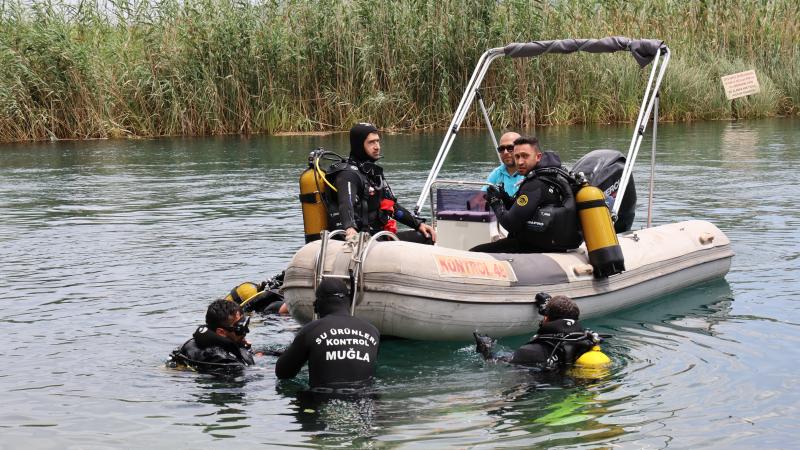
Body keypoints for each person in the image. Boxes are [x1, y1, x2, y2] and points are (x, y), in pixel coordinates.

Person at [326, 122, 436, 244]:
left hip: (378, 237)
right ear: (359, 145)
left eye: (377, 141)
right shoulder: (348, 174)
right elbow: (346, 204)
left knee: (427, 236)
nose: (377, 146)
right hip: (362, 241)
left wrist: (418, 224)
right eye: (371, 142)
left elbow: (393, 207)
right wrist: (350, 229)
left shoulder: (372, 173)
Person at [470, 136, 582, 253]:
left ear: (538, 157)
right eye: (517, 156)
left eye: (525, 156)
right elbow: (526, 209)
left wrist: (495, 201)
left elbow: (510, 224)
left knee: (473, 253)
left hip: (533, 247)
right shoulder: (550, 177)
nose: (520, 162)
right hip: (549, 243)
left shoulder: (534, 184)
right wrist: (505, 198)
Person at [275, 278, 380, 390]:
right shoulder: (373, 332)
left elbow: (283, 373)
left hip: (322, 397)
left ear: (318, 304)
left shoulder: (311, 331)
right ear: (349, 302)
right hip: (366, 398)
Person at [474, 294, 597, 368]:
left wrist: (485, 350)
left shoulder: (531, 352)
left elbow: (493, 361)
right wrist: (547, 308)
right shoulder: (587, 341)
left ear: (546, 318)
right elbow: (563, 320)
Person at [169, 299, 255, 372]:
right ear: (221, 332)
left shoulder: (195, 343)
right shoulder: (222, 362)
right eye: (240, 328)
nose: (246, 331)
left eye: (245, 324)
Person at [485, 131, 523, 197]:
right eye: (501, 149)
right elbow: (482, 195)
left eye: (510, 148)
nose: (505, 152)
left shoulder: (530, 173)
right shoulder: (497, 173)